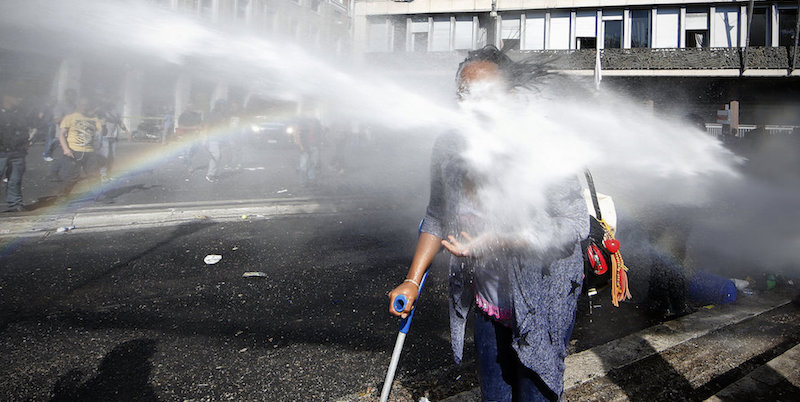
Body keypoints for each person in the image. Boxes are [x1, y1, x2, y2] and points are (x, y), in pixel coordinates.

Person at [387, 46, 589, 402]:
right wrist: (412, 280)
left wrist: (501, 239)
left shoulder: (544, 144)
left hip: (542, 302)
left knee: (536, 394)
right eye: (464, 93)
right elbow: (437, 215)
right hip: (487, 302)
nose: (471, 102)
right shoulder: (449, 146)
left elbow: (575, 225)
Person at [57, 97, 105, 196]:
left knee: (94, 175)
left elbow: (102, 133)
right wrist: (66, 149)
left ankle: (98, 195)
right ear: (78, 105)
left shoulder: (94, 119)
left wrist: (103, 125)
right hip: (74, 151)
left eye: (87, 105)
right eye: (83, 105)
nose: (85, 107)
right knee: (72, 177)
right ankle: (63, 195)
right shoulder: (70, 117)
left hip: (90, 152)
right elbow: (61, 134)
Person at [0, 83, 31, 212]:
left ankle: (15, 203)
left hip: (17, 152)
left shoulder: (20, 113)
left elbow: (24, 129)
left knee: (15, 179)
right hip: (1, 151)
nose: (20, 99)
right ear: (7, 97)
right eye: (17, 97)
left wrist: (25, 143)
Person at [97, 102, 131, 182]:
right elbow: (101, 119)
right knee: (104, 156)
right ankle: (102, 175)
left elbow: (120, 123)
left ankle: (108, 174)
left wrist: (126, 132)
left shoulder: (116, 113)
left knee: (112, 157)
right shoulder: (103, 112)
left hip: (113, 137)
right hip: (104, 137)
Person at [176, 104, 203, 173]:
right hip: (187, 136)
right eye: (189, 107)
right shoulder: (182, 116)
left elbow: (200, 124)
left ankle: (186, 158)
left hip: (196, 136)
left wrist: (199, 128)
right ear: (186, 108)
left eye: (192, 107)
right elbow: (180, 127)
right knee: (189, 151)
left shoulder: (197, 115)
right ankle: (189, 166)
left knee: (194, 150)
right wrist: (193, 128)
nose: (191, 108)